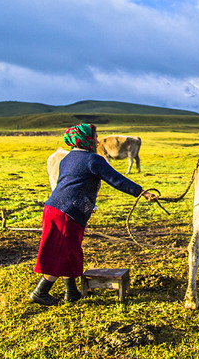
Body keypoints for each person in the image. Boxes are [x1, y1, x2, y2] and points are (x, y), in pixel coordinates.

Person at [29, 123, 156, 306]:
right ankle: (40, 292)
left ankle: (71, 293)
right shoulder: (93, 160)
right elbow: (117, 180)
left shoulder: (68, 158)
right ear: (86, 139)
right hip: (68, 211)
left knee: (70, 250)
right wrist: (142, 192)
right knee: (61, 252)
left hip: (54, 208)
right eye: (94, 136)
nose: (97, 140)